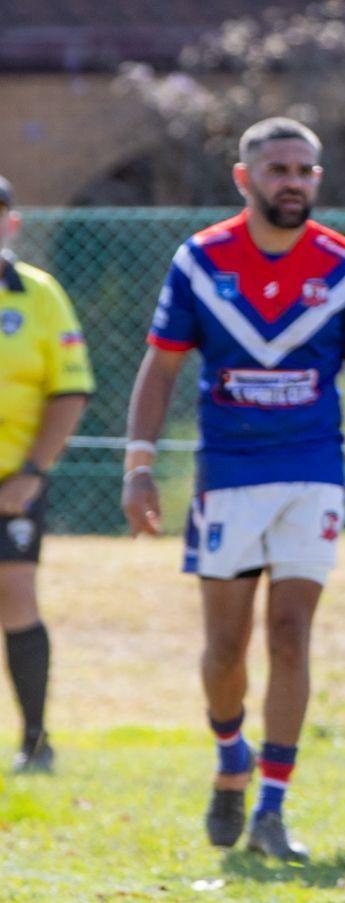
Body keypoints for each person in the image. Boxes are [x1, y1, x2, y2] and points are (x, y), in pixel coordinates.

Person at [121, 118, 345, 860]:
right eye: (278, 168)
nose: (293, 181)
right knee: (224, 645)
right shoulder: (202, 260)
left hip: (313, 472)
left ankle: (272, 805)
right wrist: (139, 464)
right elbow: (161, 367)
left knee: (290, 632)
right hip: (229, 475)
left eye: (306, 170)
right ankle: (230, 751)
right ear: (244, 179)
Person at [0, 175, 93, 773]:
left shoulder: (39, 294)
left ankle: (36, 741)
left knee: (16, 598)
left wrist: (32, 473)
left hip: (14, 484)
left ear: (12, 223)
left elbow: (70, 388)